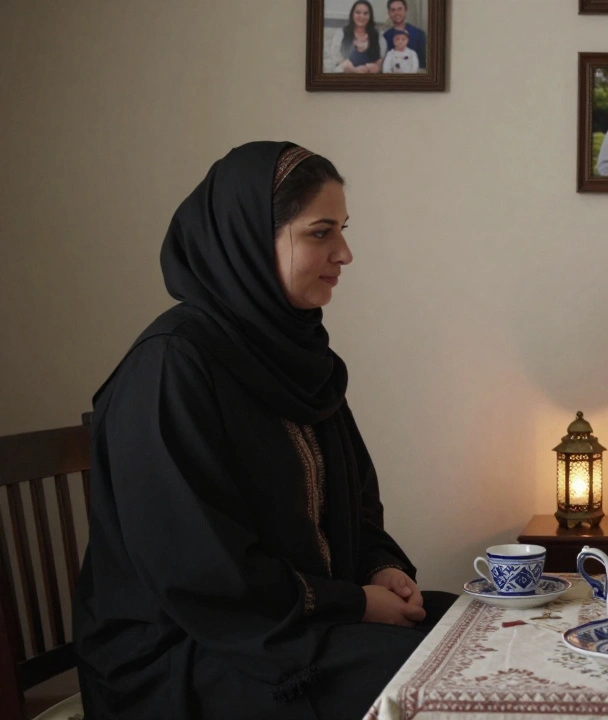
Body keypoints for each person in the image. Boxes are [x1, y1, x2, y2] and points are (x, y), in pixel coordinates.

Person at [72, 142, 457, 720]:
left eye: (343, 230)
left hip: (293, 619)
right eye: (321, 232)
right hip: (189, 652)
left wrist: (380, 568)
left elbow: (354, 504)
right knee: (445, 678)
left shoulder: (297, 357)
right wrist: (354, 603)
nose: (345, 252)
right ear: (249, 241)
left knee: (483, 625)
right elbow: (197, 569)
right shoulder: (171, 366)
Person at [329, 0, 384, 74]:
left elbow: (381, 60)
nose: (362, 16)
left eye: (365, 13)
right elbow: (336, 58)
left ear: (370, 16)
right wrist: (352, 69)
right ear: (352, 14)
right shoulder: (341, 33)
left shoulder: (377, 35)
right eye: (358, 12)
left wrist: (375, 67)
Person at [382, 0, 427, 71]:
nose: (396, 13)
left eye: (400, 9)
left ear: (406, 11)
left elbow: (423, 64)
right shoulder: (385, 36)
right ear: (389, 13)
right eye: (393, 10)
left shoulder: (419, 34)